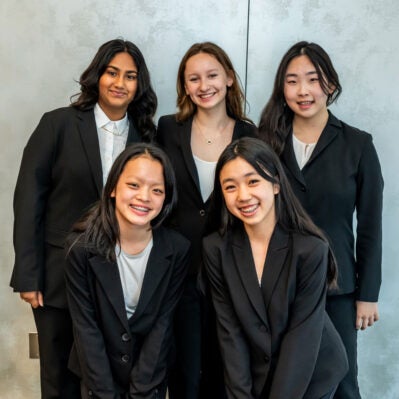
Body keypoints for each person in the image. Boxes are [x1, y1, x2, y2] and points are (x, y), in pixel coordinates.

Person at [10, 38, 157, 398]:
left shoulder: (147, 137)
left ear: (139, 85)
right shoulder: (57, 124)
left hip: (118, 276)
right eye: (112, 72)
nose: (120, 83)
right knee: (58, 376)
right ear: (97, 75)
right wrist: (29, 275)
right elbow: (29, 200)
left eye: (131, 76)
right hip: (57, 274)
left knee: (104, 376)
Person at [258, 41, 383, 399]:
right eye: (292, 80)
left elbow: (371, 227)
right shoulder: (267, 142)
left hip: (338, 287)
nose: (303, 90)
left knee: (342, 382)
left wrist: (367, 294)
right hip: (278, 281)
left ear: (329, 83)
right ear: (282, 88)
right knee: (282, 380)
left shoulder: (358, 144)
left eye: (312, 79)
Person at [203, 137, 348, 399]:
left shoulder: (311, 249)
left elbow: (302, 339)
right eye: (230, 187)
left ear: (276, 184)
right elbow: (230, 333)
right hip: (259, 373)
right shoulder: (216, 249)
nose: (243, 195)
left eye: (253, 181)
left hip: (311, 372)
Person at [156, 42, 257, 398]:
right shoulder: (168, 128)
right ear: (184, 86)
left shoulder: (249, 134)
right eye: (193, 78)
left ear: (229, 78)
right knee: (181, 369)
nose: (204, 85)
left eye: (212, 75)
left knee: (224, 366)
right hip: (175, 268)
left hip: (230, 267)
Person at [65, 143, 190, 399]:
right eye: (133, 185)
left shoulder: (177, 249)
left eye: (156, 190)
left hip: (150, 376)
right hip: (97, 377)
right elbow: (86, 328)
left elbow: (162, 326)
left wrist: (142, 392)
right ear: (112, 188)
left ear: (166, 197)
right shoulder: (80, 248)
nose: (144, 197)